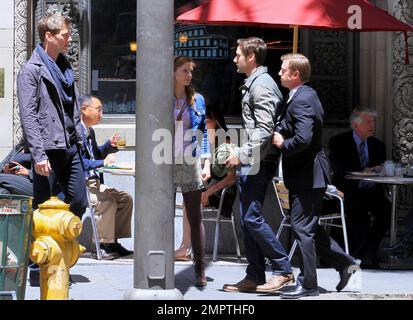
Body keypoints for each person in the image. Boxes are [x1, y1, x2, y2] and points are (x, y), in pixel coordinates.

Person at [272, 53, 359, 299]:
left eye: (283, 69)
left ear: (296, 74)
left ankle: (308, 283)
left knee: (302, 227)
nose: (279, 73)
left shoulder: (304, 99)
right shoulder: (298, 97)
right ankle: (347, 264)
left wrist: (282, 143)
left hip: (309, 175)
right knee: (309, 229)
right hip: (304, 175)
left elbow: (304, 138)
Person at [222, 37, 294, 293]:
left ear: (251, 56)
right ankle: (254, 275)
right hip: (254, 159)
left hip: (259, 160)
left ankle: (284, 270)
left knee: (251, 217)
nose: (234, 59)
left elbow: (264, 130)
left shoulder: (262, 85)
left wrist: (241, 153)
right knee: (245, 217)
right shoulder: (255, 83)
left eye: (238, 55)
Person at [17, 13, 88, 217]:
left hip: (71, 146)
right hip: (48, 148)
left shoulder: (66, 68)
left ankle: (63, 242)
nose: (70, 39)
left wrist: (80, 140)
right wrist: (38, 154)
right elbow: (28, 115)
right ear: (49, 36)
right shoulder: (31, 71)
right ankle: (40, 247)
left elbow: (72, 108)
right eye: (65, 35)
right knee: (43, 205)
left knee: (79, 201)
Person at [329, 108, 391, 268]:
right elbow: (339, 168)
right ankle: (357, 254)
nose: (372, 125)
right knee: (358, 214)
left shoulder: (377, 145)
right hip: (348, 191)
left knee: (386, 212)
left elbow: (381, 166)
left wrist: (379, 170)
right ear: (356, 125)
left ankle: (368, 253)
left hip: (372, 190)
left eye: (373, 122)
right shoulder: (339, 142)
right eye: (368, 122)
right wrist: (363, 170)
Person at [174, 105, 237, 262]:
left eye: (207, 121)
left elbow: (232, 177)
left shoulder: (225, 145)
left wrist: (209, 192)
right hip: (211, 189)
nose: (204, 125)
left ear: (216, 122)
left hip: (223, 194)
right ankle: (186, 246)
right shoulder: (209, 143)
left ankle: (188, 247)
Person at [79, 94, 133, 260]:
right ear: (84, 110)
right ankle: (100, 245)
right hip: (82, 183)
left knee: (125, 199)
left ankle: (112, 242)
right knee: (107, 201)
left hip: (95, 181)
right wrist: (102, 162)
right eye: (98, 109)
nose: (101, 113)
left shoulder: (90, 131)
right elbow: (81, 163)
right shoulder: (76, 132)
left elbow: (94, 155)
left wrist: (109, 146)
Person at [174, 55, 211, 286]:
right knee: (163, 216)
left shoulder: (197, 100)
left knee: (194, 215)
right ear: (173, 72)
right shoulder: (161, 98)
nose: (189, 75)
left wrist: (206, 162)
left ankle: (199, 267)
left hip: (190, 160)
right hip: (164, 160)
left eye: (191, 71)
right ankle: (160, 261)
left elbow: (203, 134)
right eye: (185, 71)